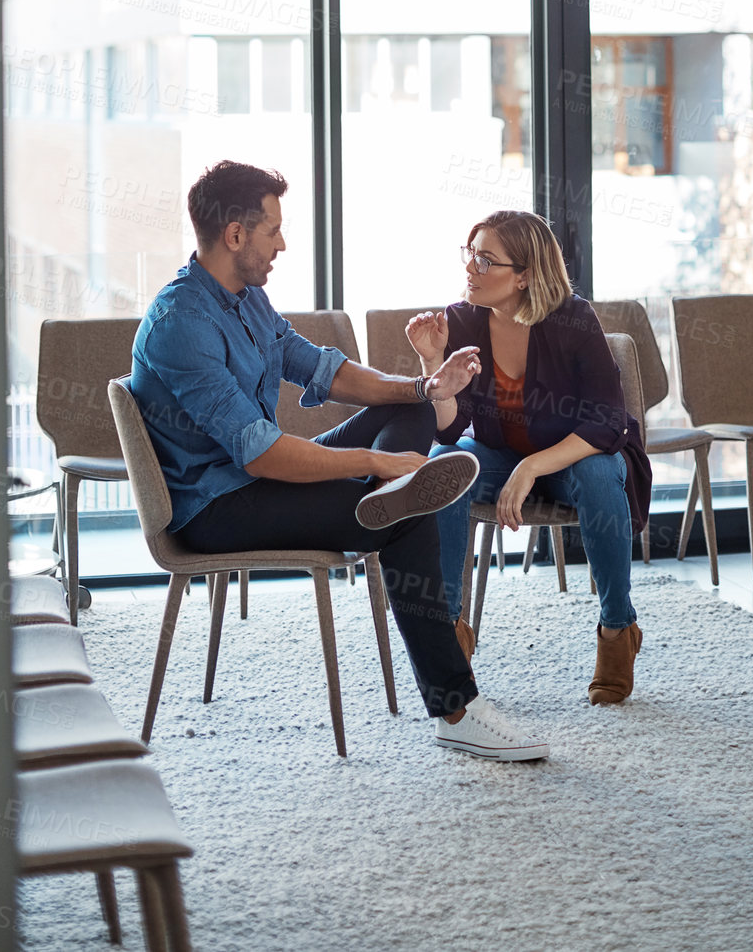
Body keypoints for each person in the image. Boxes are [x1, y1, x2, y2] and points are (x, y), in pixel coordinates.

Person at [129, 160, 550, 761]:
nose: (283, 243)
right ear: (235, 235)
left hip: (257, 478)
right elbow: (262, 455)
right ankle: (457, 710)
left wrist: (424, 388)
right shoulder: (181, 325)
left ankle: (385, 498)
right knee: (411, 514)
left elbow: (322, 368)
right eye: (273, 229)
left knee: (416, 417)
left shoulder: (245, 299)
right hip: (217, 505)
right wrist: (377, 467)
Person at [419, 210, 652, 705]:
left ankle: (617, 628)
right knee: (446, 464)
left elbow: (609, 420)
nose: (471, 268)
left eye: (486, 260)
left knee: (596, 470)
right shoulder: (461, 319)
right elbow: (450, 427)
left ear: (524, 276)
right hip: (499, 455)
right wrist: (432, 367)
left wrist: (532, 467)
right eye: (470, 253)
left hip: (571, 460)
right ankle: (449, 635)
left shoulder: (572, 318)